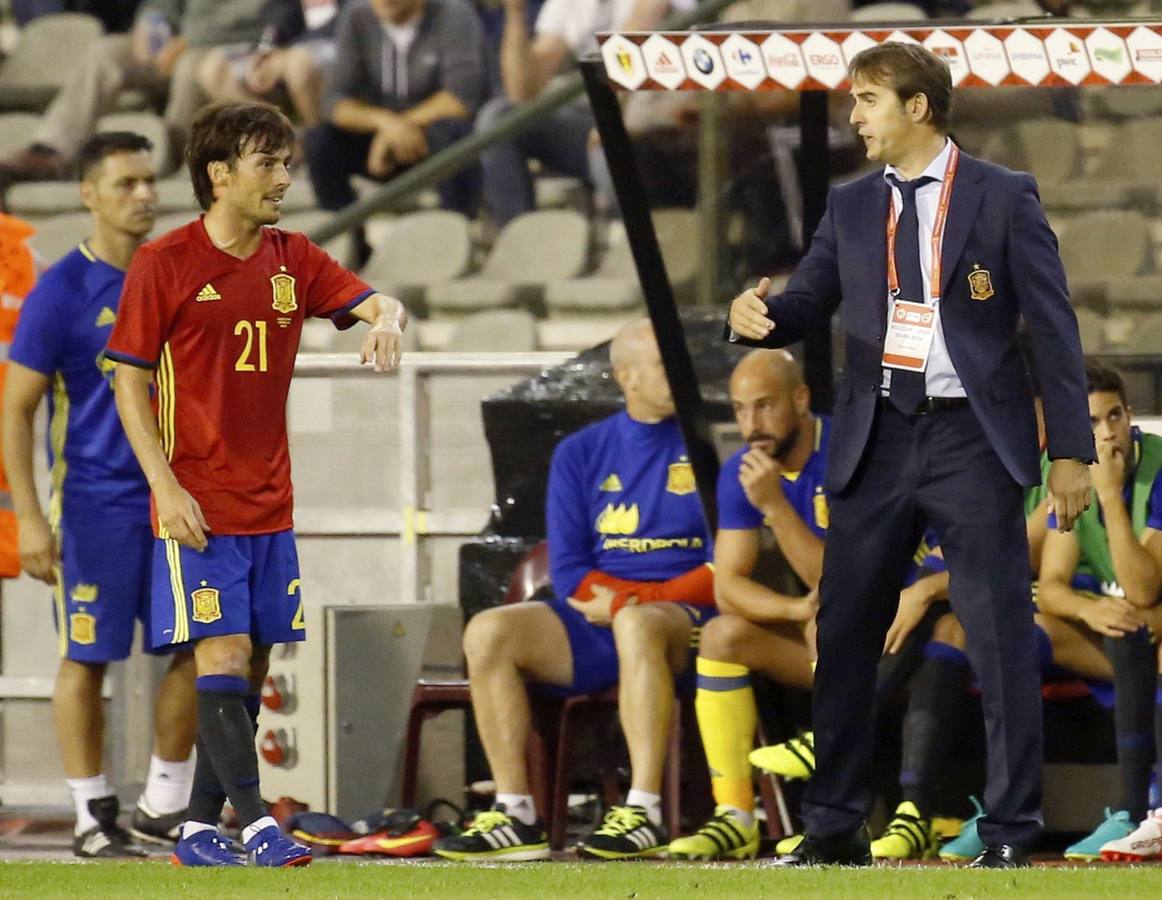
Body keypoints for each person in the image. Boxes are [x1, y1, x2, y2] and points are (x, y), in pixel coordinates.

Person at [726, 41, 1094, 868]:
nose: (853, 117)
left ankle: (1007, 833)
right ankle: (832, 828)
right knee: (847, 632)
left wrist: (1070, 450)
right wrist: (755, 318)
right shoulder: (850, 206)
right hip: (876, 435)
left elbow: (1055, 329)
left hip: (971, 436)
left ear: (917, 108)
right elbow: (808, 301)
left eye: (867, 101)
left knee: (999, 637)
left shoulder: (1004, 196)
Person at [104, 101, 408, 868]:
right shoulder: (163, 263)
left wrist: (387, 318)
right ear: (219, 174)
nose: (283, 176)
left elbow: (375, 299)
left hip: (270, 501)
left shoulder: (293, 258)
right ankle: (258, 820)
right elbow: (128, 384)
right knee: (224, 652)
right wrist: (164, 488)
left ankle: (201, 830)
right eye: (267, 163)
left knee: (256, 660)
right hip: (196, 500)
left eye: (285, 161)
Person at [433, 318, 716, 862]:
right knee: (489, 631)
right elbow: (568, 570)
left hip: (684, 621)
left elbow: (725, 566)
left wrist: (639, 603)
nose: (681, 374)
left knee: (638, 624)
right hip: (600, 616)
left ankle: (644, 810)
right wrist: (616, 604)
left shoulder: (709, 446)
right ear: (625, 376)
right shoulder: (582, 452)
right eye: (664, 364)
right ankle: (516, 814)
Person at [666, 348, 949, 861]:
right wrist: (795, 611)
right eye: (739, 409)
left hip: (902, 636)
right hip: (827, 642)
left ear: (800, 399)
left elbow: (842, 580)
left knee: (836, 617)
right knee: (721, 634)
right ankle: (734, 814)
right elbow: (728, 585)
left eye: (764, 406)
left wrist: (775, 507)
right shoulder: (744, 471)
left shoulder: (852, 449)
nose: (751, 424)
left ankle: (834, 796)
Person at [1, 132, 199, 857]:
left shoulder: (177, 274)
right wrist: (27, 518)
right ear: (88, 194)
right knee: (87, 655)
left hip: (177, 499)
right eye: (125, 184)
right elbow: (15, 407)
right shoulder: (61, 292)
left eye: (150, 181)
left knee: (198, 643)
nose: (144, 195)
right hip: (96, 504)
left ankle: (165, 803)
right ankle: (91, 814)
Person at [1036, 360, 1162, 862]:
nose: (1107, 434)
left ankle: (1139, 812)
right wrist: (1090, 611)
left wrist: (1109, 495)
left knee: (1138, 625)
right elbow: (1050, 587)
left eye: (1114, 417)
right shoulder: (1067, 471)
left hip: (1152, 625)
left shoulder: (1156, 465)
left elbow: (1144, 587)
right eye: (1090, 423)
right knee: (1011, 634)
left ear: (1130, 415)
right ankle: (994, 812)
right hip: (1118, 632)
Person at [304, 0, 491, 263]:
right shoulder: (358, 16)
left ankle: (455, 242)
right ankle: (349, 250)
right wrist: (384, 123)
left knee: (451, 132)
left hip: (439, 139)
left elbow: (460, 99)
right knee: (320, 140)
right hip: (386, 142)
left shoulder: (454, 13)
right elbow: (334, 102)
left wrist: (398, 127)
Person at [0, 1, 266, 186]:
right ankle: (51, 150)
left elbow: (264, 18)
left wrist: (187, 43)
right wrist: (148, 25)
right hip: (175, 46)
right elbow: (162, 5)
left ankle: (177, 162)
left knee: (189, 69)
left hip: (229, 50)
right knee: (106, 52)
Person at [478, 0, 685, 228]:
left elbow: (636, 39)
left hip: (657, 114)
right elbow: (523, 91)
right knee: (498, 119)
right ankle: (519, 241)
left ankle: (639, 245)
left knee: (607, 153)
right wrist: (515, 15)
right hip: (594, 115)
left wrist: (609, 121)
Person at [195, 0, 346, 128]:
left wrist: (286, 54)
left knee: (298, 64)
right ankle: (276, 136)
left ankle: (315, 143)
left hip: (337, 44)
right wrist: (266, 51)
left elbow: (350, 19)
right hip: (288, 48)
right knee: (213, 69)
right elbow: (277, 12)